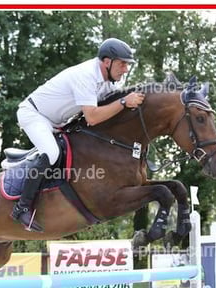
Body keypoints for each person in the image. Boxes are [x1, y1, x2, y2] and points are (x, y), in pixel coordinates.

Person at [12, 38, 146, 232]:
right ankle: (22, 207)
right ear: (106, 62)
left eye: (127, 65)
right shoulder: (85, 75)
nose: (125, 69)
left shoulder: (109, 81)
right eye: (122, 64)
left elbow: (110, 110)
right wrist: (124, 102)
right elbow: (92, 117)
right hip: (34, 115)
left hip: (58, 122)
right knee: (52, 153)